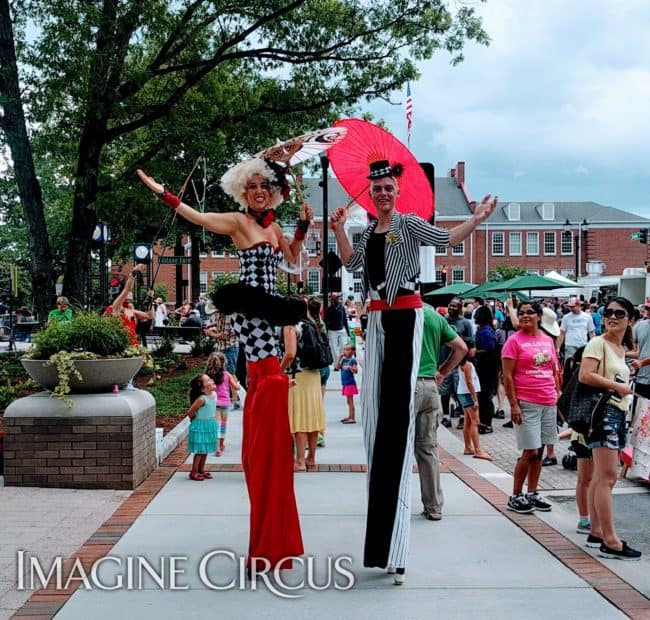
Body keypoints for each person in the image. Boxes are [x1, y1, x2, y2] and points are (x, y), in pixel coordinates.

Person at [329, 158, 497, 584]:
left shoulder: (408, 225)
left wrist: (476, 220)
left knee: (398, 432)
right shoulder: (367, 233)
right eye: (377, 189)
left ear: (397, 191)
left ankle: (399, 544)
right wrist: (337, 232)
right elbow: (350, 267)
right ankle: (382, 541)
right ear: (370, 194)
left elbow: (445, 237)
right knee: (376, 426)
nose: (383, 194)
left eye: (388, 187)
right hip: (376, 321)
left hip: (405, 317)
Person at [138, 158, 306, 571]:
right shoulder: (237, 222)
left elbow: (292, 263)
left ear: (273, 190)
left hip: (271, 310)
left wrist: (301, 230)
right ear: (242, 193)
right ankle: (265, 452)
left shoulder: (273, 227)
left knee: (270, 374)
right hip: (251, 311)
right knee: (267, 373)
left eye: (263, 185)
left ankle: (272, 513)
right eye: (250, 187)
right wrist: (164, 192)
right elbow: (196, 216)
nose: (258, 191)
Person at [579, 297, 641, 560]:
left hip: (615, 412)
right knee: (608, 478)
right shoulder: (598, 343)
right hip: (605, 413)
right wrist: (618, 387)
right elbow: (585, 374)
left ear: (630, 320)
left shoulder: (619, 348)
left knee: (599, 477)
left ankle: (596, 532)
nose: (612, 317)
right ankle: (611, 540)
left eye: (619, 313)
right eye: (608, 313)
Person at [502, 301, 560, 514]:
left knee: (541, 450)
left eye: (530, 312)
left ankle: (532, 493)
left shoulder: (547, 340)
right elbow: (507, 376)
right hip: (526, 402)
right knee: (530, 451)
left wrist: (557, 393)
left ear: (539, 316)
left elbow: (553, 369)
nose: (525, 316)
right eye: (521, 313)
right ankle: (516, 494)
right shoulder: (513, 341)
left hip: (548, 401)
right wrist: (513, 404)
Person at [414, 303, 467, 522]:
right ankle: (434, 506)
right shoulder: (434, 316)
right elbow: (461, 348)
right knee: (428, 450)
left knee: (395, 450)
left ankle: (394, 506)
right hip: (429, 385)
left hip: (406, 385)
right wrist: (442, 372)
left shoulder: (399, 311)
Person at [282, 296, 326, 472]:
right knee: (312, 417)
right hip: (314, 375)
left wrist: (278, 371)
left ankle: (299, 460)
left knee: (299, 418)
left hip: (297, 376)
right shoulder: (312, 323)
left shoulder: (291, 326)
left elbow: (290, 354)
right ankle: (311, 459)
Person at [440, 297, 474, 429]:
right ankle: (446, 417)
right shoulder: (443, 321)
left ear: (460, 308)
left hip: (459, 363)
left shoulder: (465, 323)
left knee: (459, 391)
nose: (452, 308)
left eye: (455, 306)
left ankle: (462, 416)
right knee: (444, 392)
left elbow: (471, 343)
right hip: (443, 362)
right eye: (450, 305)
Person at [458, 339, 492, 461]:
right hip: (468, 395)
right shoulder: (468, 365)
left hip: (463, 393)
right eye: (473, 347)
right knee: (475, 422)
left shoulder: (463, 364)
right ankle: (477, 449)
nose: (475, 350)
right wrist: (475, 399)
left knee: (468, 421)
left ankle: (468, 446)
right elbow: (469, 382)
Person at [104, 264, 153, 346]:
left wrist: (150, 299)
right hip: (121, 346)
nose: (130, 295)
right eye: (129, 294)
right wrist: (133, 273)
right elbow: (127, 289)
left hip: (133, 346)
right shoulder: (115, 307)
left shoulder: (130, 310)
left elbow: (149, 315)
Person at [204, 309, 241, 409]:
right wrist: (211, 326)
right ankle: (226, 396)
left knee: (230, 373)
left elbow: (224, 335)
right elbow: (219, 323)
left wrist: (211, 334)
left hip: (230, 347)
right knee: (222, 372)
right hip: (222, 347)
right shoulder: (221, 313)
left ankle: (236, 399)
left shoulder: (228, 315)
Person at [206, 351, 240, 456]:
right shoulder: (227, 375)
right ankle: (221, 444)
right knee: (223, 425)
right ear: (224, 363)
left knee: (216, 425)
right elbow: (236, 387)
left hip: (213, 403)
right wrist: (238, 383)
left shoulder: (208, 376)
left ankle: (216, 448)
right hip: (225, 403)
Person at [186, 374, 218, 481]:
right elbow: (190, 412)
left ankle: (201, 470)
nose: (211, 380)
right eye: (208, 380)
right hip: (200, 426)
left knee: (205, 450)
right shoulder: (202, 399)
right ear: (202, 388)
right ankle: (193, 472)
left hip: (209, 426)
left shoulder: (213, 395)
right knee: (200, 450)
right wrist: (195, 420)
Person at [474, 305, 498, 435]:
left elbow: (490, 349)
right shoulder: (485, 330)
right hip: (486, 368)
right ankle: (484, 421)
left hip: (486, 369)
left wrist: (475, 352)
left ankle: (487, 423)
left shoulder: (485, 332)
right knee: (484, 396)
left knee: (485, 396)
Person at [336, 344, 359, 424]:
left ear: (352, 351)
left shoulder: (352, 360)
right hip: (345, 383)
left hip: (350, 383)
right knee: (348, 401)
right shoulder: (344, 360)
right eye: (345, 349)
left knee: (350, 401)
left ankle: (352, 418)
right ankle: (350, 416)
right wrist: (339, 358)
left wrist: (350, 368)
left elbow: (356, 371)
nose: (345, 351)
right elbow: (337, 367)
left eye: (348, 349)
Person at [325, 294, 348, 361]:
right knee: (333, 348)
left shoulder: (342, 308)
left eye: (338, 299)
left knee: (343, 346)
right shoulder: (329, 309)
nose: (337, 300)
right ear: (332, 300)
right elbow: (326, 320)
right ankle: (336, 363)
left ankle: (340, 360)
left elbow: (344, 320)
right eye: (335, 299)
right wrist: (327, 330)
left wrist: (348, 332)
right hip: (332, 331)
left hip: (341, 330)